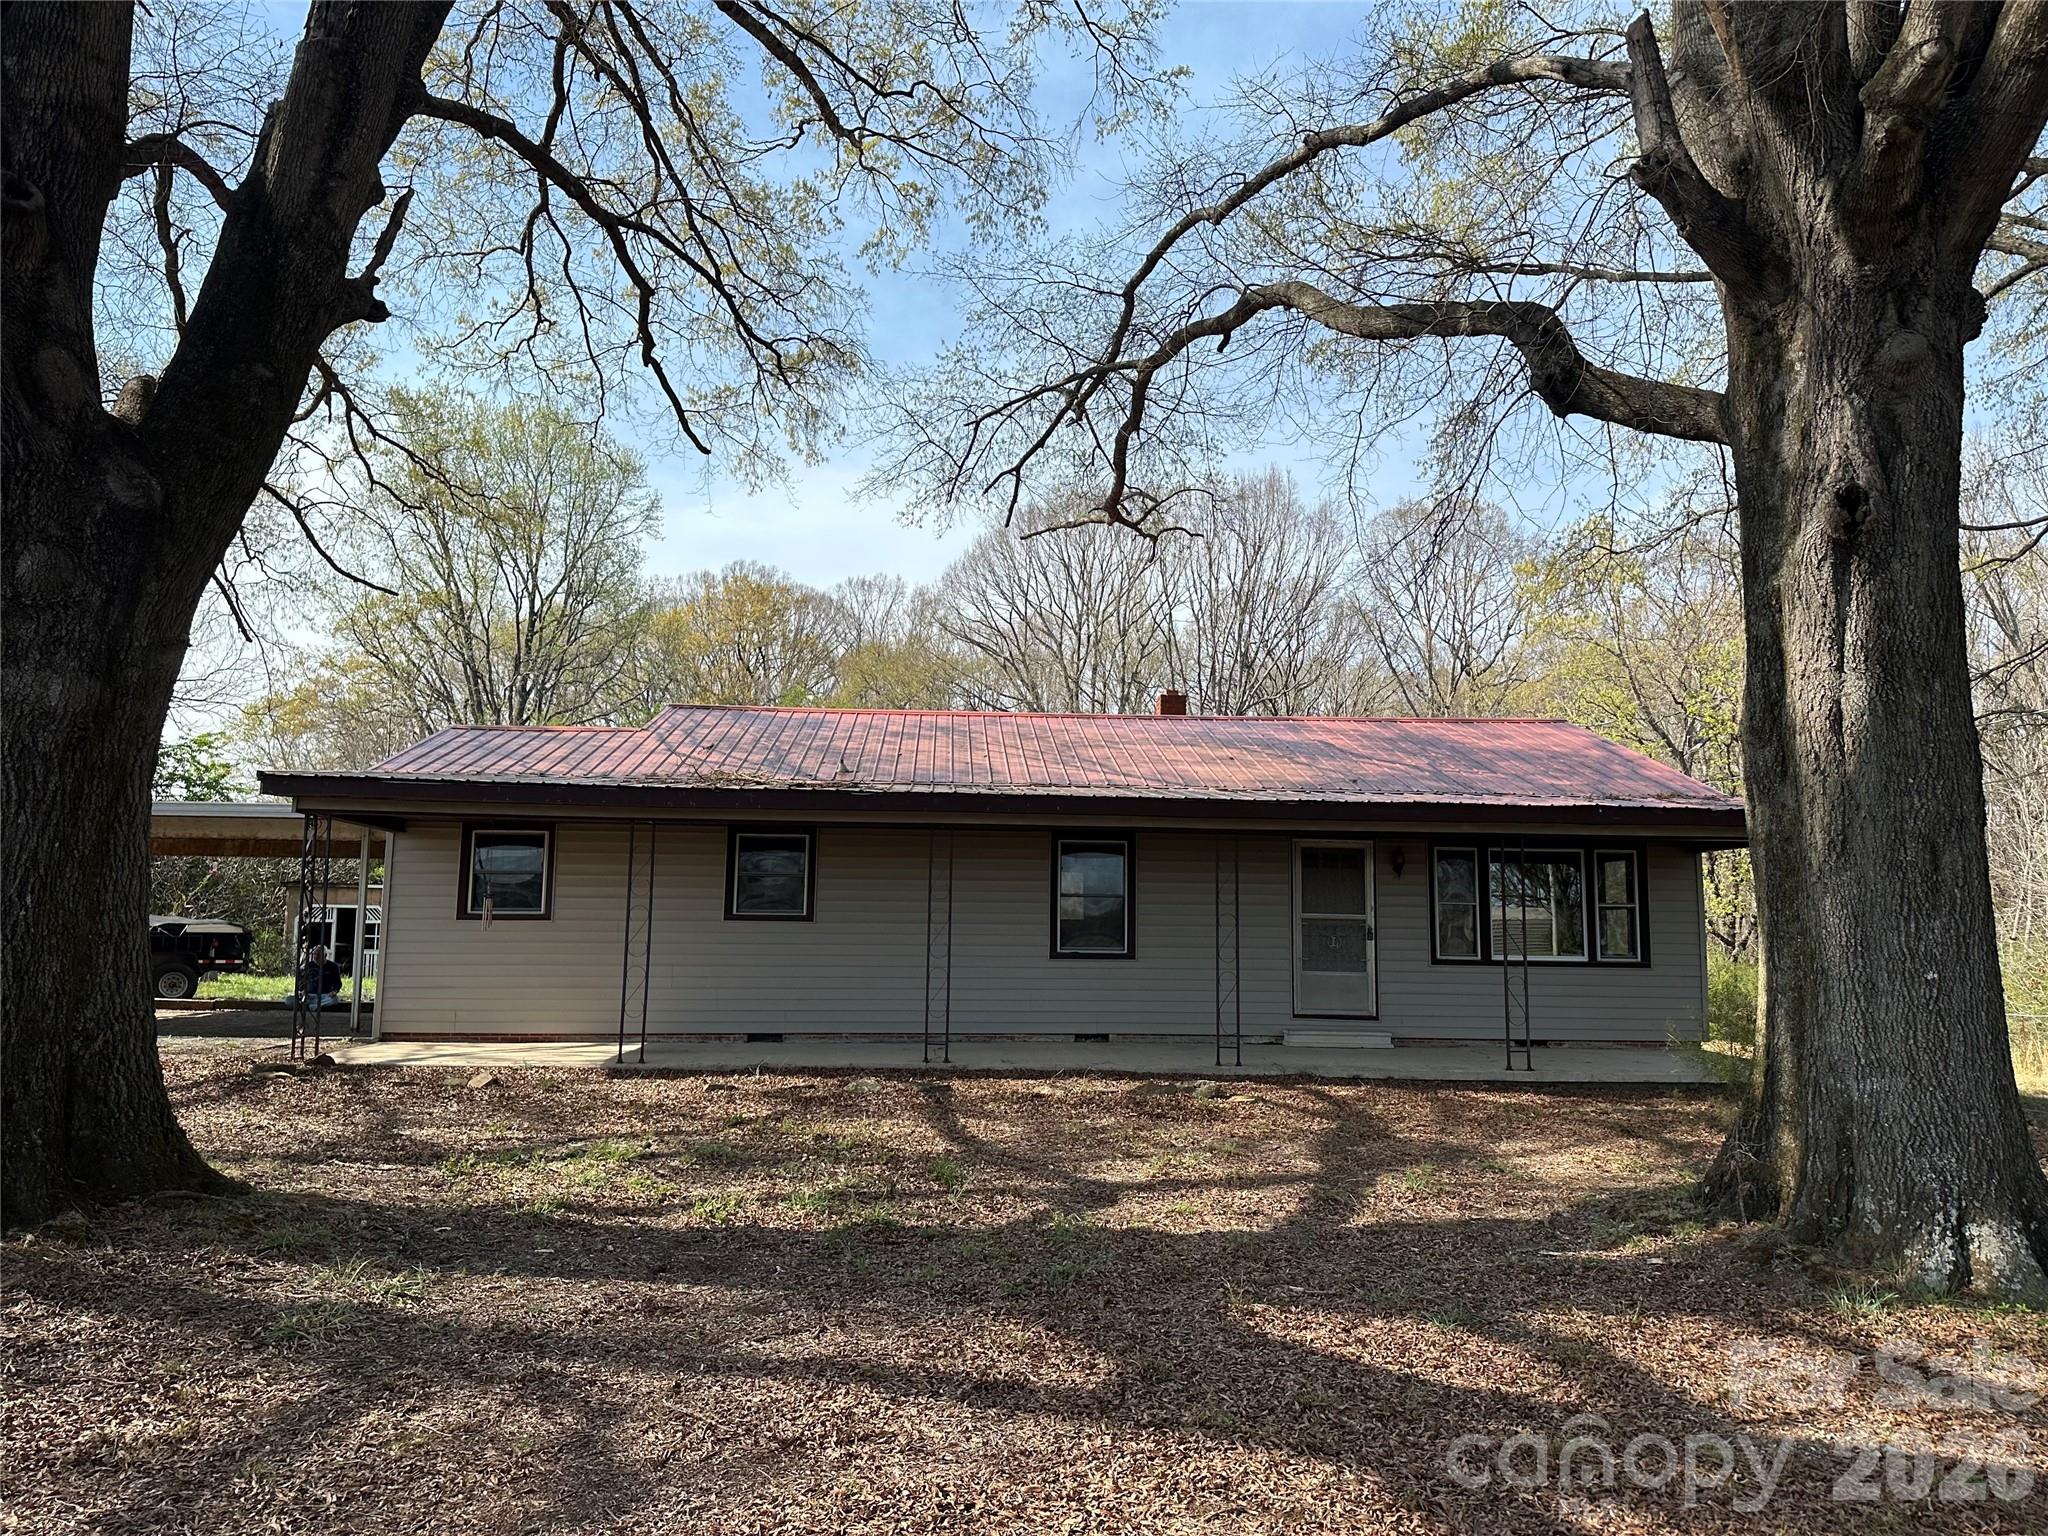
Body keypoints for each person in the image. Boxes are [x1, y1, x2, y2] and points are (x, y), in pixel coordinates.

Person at [296, 945, 342, 1009]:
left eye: (318, 955)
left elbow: (338, 983)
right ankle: (317, 1006)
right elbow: (300, 982)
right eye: (314, 954)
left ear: (325, 955)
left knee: (335, 1000)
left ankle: (312, 1006)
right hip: (309, 995)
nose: (316, 956)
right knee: (289, 1000)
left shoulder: (333, 967)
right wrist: (302, 991)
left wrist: (334, 991)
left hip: (325, 995)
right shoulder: (308, 966)